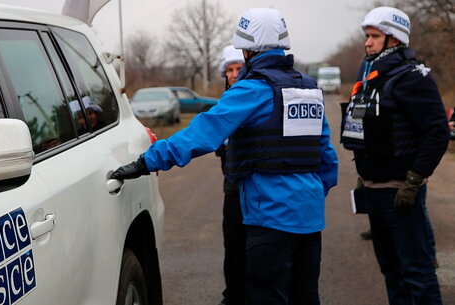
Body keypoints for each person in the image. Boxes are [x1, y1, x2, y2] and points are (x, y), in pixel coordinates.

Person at [112, 8, 338, 305]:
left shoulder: (252, 89)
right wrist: (305, 198)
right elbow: (328, 160)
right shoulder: (309, 89)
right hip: (309, 220)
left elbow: (202, 133)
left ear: (247, 49)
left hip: (270, 219)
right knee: (305, 297)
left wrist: (146, 161)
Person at [340, 6, 449, 304]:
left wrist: (414, 179)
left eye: (374, 36)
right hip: (374, 192)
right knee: (391, 271)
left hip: (401, 194)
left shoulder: (412, 78)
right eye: (367, 36)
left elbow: (437, 131)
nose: (367, 42)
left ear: (394, 39)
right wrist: (364, 175)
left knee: (416, 272)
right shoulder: (370, 78)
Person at [215, 45, 245, 305]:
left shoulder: (258, 98)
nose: (234, 74)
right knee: (233, 245)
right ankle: (233, 296)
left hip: (256, 188)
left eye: (239, 68)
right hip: (232, 187)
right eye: (229, 70)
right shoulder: (223, 105)